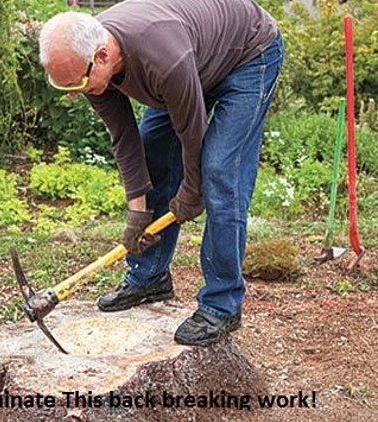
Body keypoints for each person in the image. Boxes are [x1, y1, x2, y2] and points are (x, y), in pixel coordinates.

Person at [39, 0, 284, 346]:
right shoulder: (86, 65)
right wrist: (136, 212)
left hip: (246, 55)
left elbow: (192, 135)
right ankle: (149, 277)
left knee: (218, 172)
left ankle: (222, 304)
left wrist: (191, 194)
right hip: (193, 59)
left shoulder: (161, 59)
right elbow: (125, 140)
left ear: (103, 57)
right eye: (65, 86)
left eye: (78, 83)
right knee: (154, 152)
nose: (76, 92)